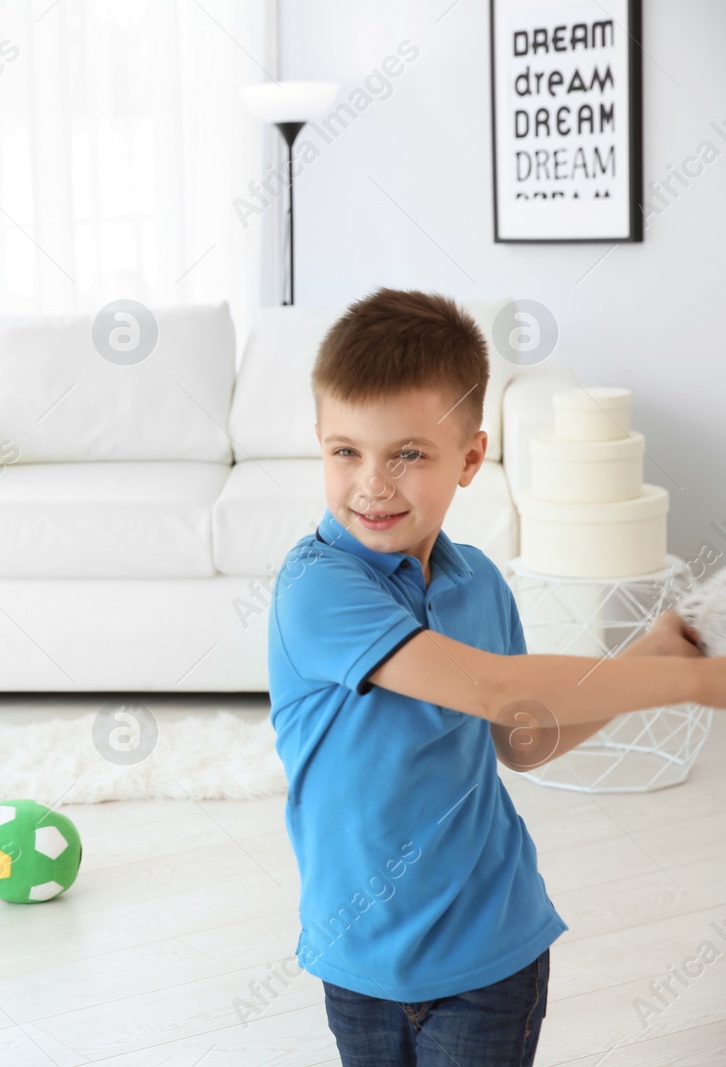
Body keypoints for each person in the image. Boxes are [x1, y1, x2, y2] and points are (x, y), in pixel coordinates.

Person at [267, 287, 726, 1066]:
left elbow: (523, 737)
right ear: (319, 442)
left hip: (494, 951)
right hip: (357, 957)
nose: (372, 483)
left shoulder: (477, 581)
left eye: (407, 453)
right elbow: (494, 687)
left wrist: (651, 659)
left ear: (471, 458)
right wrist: (696, 684)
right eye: (346, 450)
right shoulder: (316, 587)